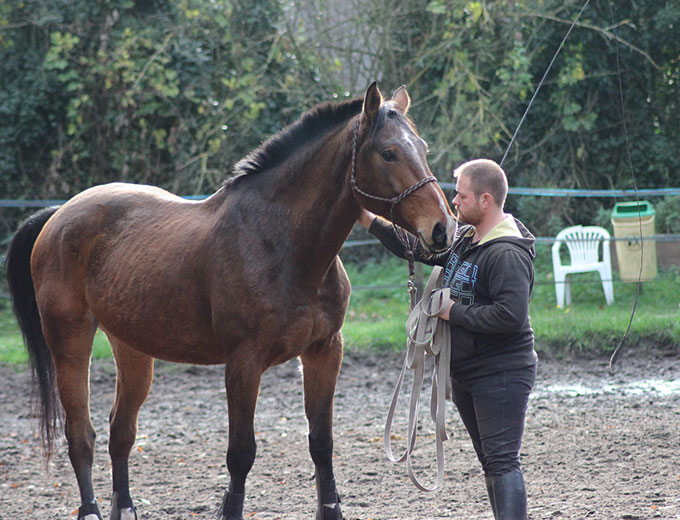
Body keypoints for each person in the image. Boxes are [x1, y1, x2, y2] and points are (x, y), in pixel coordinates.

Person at [358, 158, 537, 520]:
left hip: (500, 372)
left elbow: (510, 316)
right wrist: (370, 221)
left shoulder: (505, 253)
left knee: (502, 462)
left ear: (486, 200)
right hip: (467, 371)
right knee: (490, 461)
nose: (453, 202)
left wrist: (451, 312)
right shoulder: (466, 237)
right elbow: (421, 249)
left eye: (461, 195)